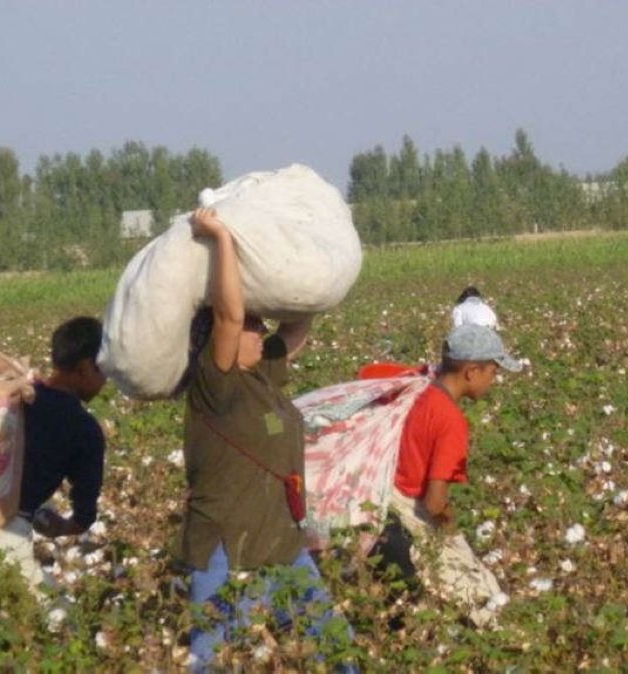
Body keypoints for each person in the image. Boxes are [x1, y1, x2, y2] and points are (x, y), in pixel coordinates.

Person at [182, 207, 352, 671]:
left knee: (333, 639)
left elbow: (297, 326)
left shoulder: (262, 375)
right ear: (222, 338)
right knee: (213, 652)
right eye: (252, 327)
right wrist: (221, 238)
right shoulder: (215, 384)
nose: (259, 332)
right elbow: (228, 313)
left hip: (280, 539)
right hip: (223, 542)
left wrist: (314, 249)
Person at [0, 316, 108, 606]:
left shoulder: (16, 397)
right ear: (84, 368)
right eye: (103, 371)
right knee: (48, 631)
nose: (106, 381)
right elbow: (84, 514)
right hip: (5, 537)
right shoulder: (84, 429)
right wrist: (61, 526)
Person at [371, 323, 521, 627]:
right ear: (471, 372)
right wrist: (450, 521)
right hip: (413, 510)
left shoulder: (419, 391)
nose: (495, 380)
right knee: (481, 598)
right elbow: (434, 502)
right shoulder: (451, 421)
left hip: (386, 498)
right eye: (493, 372)